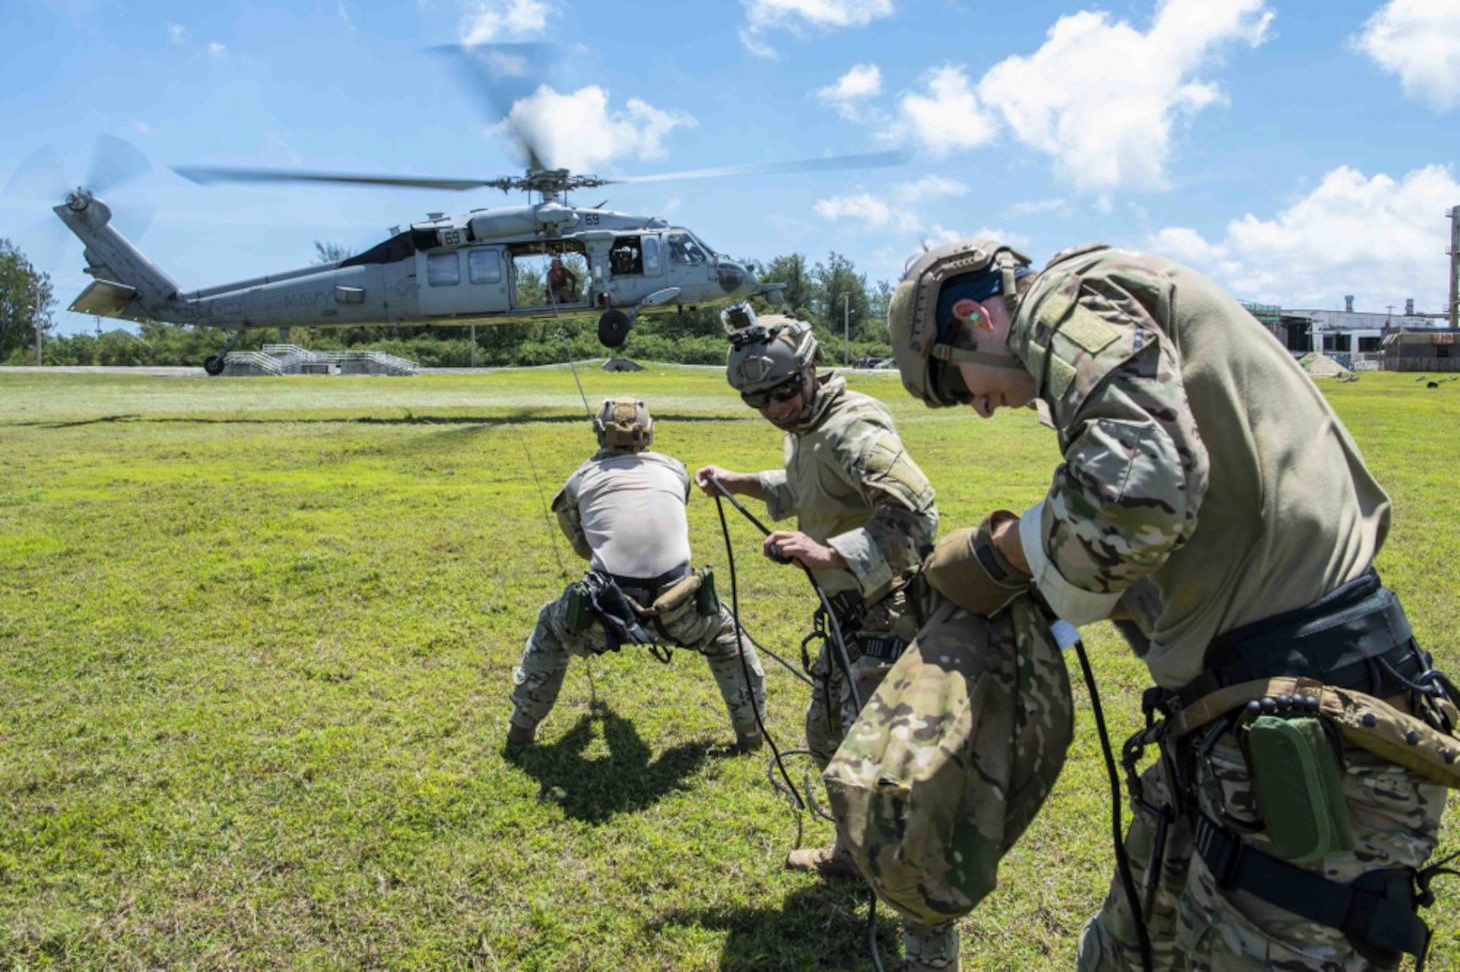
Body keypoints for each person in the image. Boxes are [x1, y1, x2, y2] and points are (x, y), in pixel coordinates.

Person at [886, 238, 1458, 971]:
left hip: (1315, 739)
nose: (981, 408)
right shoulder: (1117, 324)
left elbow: (1138, 494)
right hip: (1234, 724)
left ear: (975, 316)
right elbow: (1168, 533)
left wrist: (1010, 551)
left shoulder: (1061, 300)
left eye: (957, 385)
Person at [693, 303, 939, 874]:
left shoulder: (851, 426)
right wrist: (740, 482)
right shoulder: (808, 428)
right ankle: (854, 854)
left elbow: (919, 515)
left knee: (879, 759)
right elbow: (813, 486)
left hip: (888, 614)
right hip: (849, 613)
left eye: (784, 392)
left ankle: (909, 880)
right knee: (827, 734)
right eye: (758, 400)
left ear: (810, 370)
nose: (775, 409)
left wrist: (829, 554)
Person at [508, 397, 767, 754]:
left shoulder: (579, 480)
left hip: (607, 615)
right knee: (727, 638)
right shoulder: (675, 469)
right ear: (649, 433)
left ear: (599, 434)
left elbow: (582, 545)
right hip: (681, 610)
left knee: (552, 627)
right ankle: (750, 737)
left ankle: (520, 733)